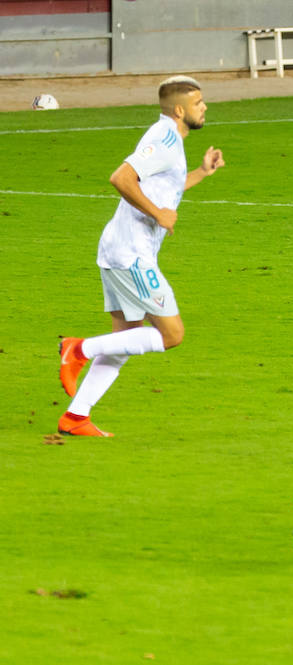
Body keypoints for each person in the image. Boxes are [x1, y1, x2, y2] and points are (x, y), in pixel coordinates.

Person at [57, 75, 225, 437]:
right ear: (179, 110)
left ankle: (75, 418)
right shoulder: (163, 138)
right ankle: (77, 349)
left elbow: (162, 186)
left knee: (124, 342)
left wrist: (201, 172)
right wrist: (157, 214)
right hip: (131, 254)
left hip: (122, 249)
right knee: (171, 334)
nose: (205, 107)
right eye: (198, 103)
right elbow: (121, 177)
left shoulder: (172, 140)